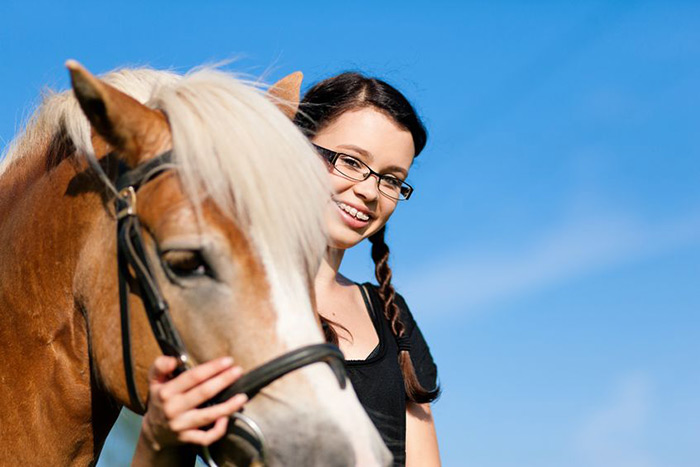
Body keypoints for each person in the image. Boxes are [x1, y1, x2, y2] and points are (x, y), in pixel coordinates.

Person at [133, 72, 441, 467]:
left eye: (391, 180)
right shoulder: (223, 303)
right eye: (351, 161)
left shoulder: (391, 315)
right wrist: (158, 439)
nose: (369, 190)